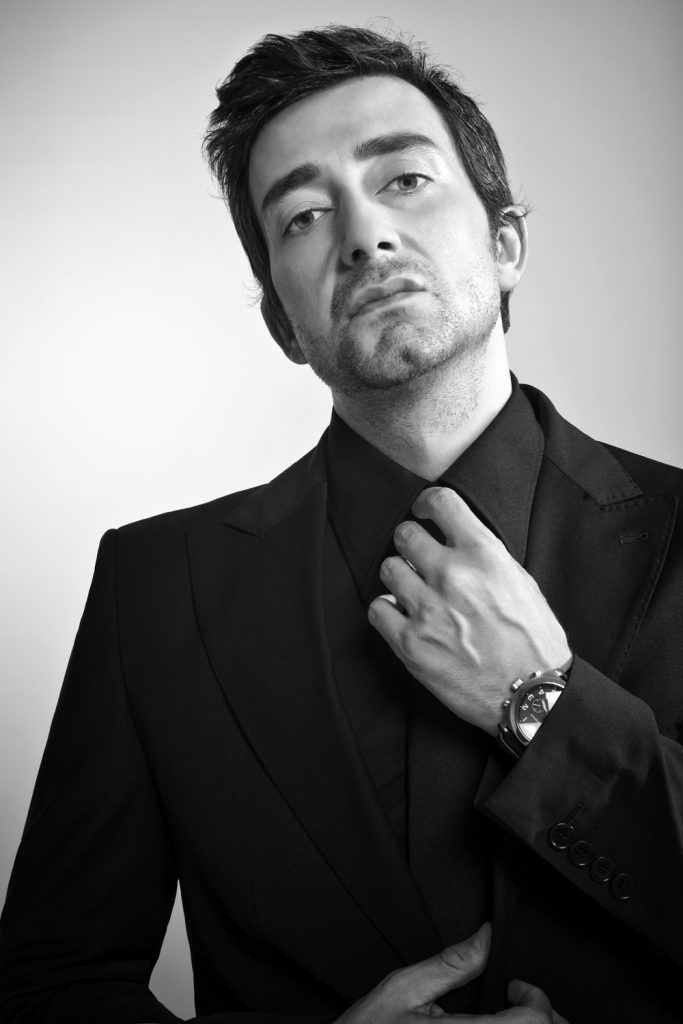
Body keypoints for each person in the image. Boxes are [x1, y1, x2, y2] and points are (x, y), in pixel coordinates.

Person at [1, 24, 681, 1024]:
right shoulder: (154, 588)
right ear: (283, 321)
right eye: (303, 217)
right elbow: (47, 985)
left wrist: (540, 704)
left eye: (403, 179)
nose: (363, 235)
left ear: (504, 245)